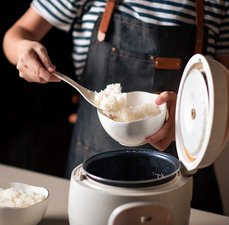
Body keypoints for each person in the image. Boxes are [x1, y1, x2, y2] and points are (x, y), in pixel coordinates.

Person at [3, 0, 229, 214]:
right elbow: (18, 33)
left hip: (182, 167)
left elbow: (224, 87)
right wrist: (23, 49)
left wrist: (190, 108)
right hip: (93, 167)